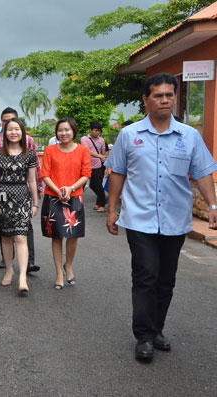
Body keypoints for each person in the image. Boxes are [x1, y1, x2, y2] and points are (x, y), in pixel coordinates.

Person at [105, 73, 217, 363]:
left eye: (169, 95)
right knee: (146, 276)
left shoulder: (189, 136)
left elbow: (203, 172)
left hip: (175, 220)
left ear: (175, 97)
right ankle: (143, 335)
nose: (165, 100)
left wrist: (213, 205)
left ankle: (157, 329)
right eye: (158, 95)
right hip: (139, 219)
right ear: (146, 99)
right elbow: (117, 172)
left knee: (166, 279)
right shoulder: (129, 135)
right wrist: (112, 209)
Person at [0, 107, 43, 273]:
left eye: (15, 127)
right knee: (5, 233)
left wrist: (37, 194)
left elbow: (34, 173)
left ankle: (28, 264)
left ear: (20, 126)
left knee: (23, 233)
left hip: (22, 195)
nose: (12, 130)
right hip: (2, 195)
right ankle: (8, 264)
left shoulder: (29, 144)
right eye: (6, 124)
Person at [40, 117, 91, 290]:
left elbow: (86, 174)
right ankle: (59, 273)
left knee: (73, 235)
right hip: (53, 198)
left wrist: (70, 188)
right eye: (60, 130)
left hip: (75, 196)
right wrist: (59, 191)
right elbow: (45, 174)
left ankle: (68, 265)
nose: (63, 133)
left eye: (67, 130)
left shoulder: (83, 150)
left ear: (74, 131)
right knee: (56, 236)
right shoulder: (49, 150)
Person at [81, 121, 107, 212]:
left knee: (98, 185)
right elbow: (87, 151)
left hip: (97, 166)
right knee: (81, 186)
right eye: (96, 130)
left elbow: (103, 153)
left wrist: (105, 161)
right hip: (86, 165)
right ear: (90, 130)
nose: (97, 133)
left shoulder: (102, 140)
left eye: (99, 131)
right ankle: (78, 204)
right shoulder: (84, 139)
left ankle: (101, 204)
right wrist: (100, 156)